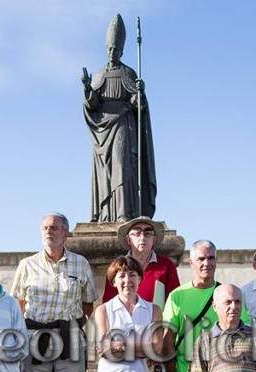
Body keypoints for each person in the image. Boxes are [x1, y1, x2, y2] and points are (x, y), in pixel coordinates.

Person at [11, 212, 98, 372]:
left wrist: (67, 326)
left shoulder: (81, 263)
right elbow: (18, 305)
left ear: (66, 234)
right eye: (45, 228)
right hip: (36, 339)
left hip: (69, 338)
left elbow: (88, 304)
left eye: (54, 228)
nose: (48, 231)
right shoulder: (27, 265)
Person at [102, 216, 180, 372]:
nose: (143, 236)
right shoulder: (117, 270)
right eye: (137, 232)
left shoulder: (166, 266)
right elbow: (107, 329)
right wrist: (139, 348)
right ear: (129, 238)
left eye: (148, 232)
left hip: (158, 354)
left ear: (154, 238)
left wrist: (156, 351)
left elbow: (173, 307)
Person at [164, 240, 248, 372]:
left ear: (216, 261)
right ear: (191, 263)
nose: (206, 263)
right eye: (201, 258)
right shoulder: (177, 296)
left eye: (211, 258)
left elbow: (245, 334)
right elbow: (168, 341)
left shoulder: (228, 295)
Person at [82, 13, 156, 222]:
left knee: (122, 166)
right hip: (103, 130)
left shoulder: (128, 73)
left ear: (122, 50)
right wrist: (88, 89)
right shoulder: (98, 75)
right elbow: (92, 105)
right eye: (110, 49)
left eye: (116, 49)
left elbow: (137, 106)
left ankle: (124, 212)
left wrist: (139, 94)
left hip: (123, 124)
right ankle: (107, 213)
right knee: (105, 171)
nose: (112, 52)